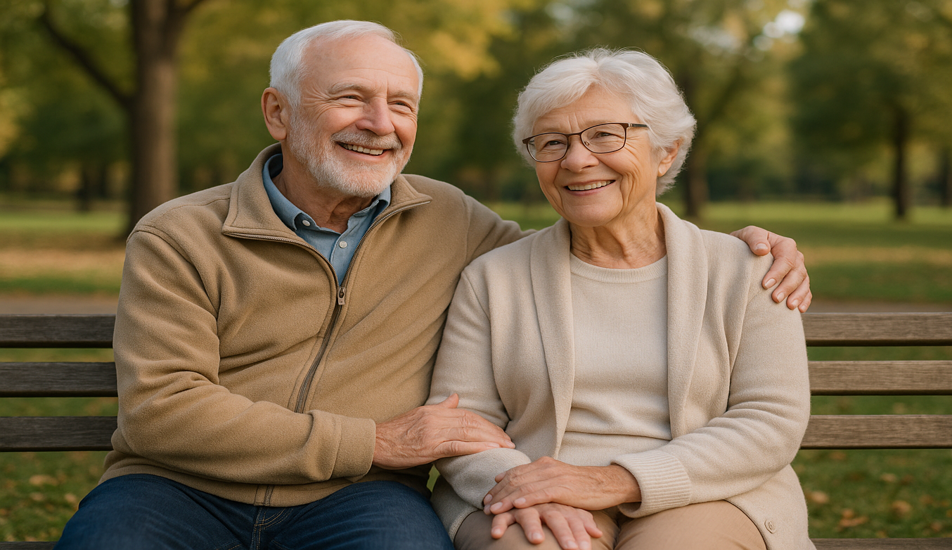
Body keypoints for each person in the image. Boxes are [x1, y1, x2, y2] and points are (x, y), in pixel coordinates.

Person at [54, 22, 811, 550]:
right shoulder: (180, 234)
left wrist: (742, 250)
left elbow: (584, 260)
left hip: (352, 498)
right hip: (180, 486)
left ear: (669, 147)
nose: (378, 124)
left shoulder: (452, 223)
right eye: (349, 98)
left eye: (401, 105)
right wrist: (378, 442)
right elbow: (161, 411)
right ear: (277, 113)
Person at [427, 48, 814, 550]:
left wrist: (613, 480)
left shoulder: (750, 270)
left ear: (667, 151)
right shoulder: (492, 279)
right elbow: (463, 421)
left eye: (606, 135)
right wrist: (527, 487)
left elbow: (770, 421)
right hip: (530, 490)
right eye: (552, 142)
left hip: (705, 496)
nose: (576, 159)